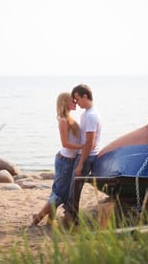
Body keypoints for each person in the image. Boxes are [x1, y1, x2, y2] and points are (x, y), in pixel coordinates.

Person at [32, 92, 83, 226]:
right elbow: (65, 143)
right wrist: (83, 146)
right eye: (73, 101)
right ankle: (38, 217)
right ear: (65, 103)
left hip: (69, 160)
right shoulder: (63, 120)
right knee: (60, 194)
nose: (75, 102)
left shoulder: (70, 119)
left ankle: (50, 219)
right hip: (65, 160)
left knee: (59, 192)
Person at [64, 84, 102, 221]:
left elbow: (89, 143)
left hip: (86, 157)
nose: (76, 103)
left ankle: (71, 219)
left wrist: (80, 164)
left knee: (75, 189)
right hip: (84, 155)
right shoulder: (87, 114)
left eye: (77, 99)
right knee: (73, 187)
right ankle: (70, 217)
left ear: (85, 96)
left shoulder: (91, 116)